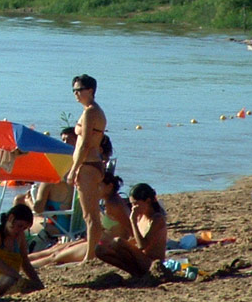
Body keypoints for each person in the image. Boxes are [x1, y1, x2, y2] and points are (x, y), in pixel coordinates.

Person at [30, 171, 131, 268]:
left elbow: (130, 230)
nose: (93, 189)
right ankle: (23, 260)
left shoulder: (114, 205)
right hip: (95, 241)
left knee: (55, 256)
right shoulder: (109, 202)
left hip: (103, 246)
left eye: (98, 186)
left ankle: (26, 266)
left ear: (109, 187)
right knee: (55, 249)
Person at [64, 74, 106, 261]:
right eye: (74, 90)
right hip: (90, 164)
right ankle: (92, 253)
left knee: (90, 215)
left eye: (79, 90)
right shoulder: (91, 110)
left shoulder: (91, 112)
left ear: (90, 90)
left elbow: (85, 143)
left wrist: (74, 169)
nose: (76, 93)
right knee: (90, 214)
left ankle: (90, 256)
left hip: (88, 165)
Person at [96, 183, 167, 276]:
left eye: (135, 204)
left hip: (151, 262)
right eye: (132, 204)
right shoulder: (141, 217)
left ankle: (138, 273)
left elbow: (143, 245)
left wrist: (132, 221)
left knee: (118, 242)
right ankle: (134, 272)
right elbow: (136, 240)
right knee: (100, 250)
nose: (133, 208)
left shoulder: (157, 219)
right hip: (140, 259)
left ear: (148, 201)